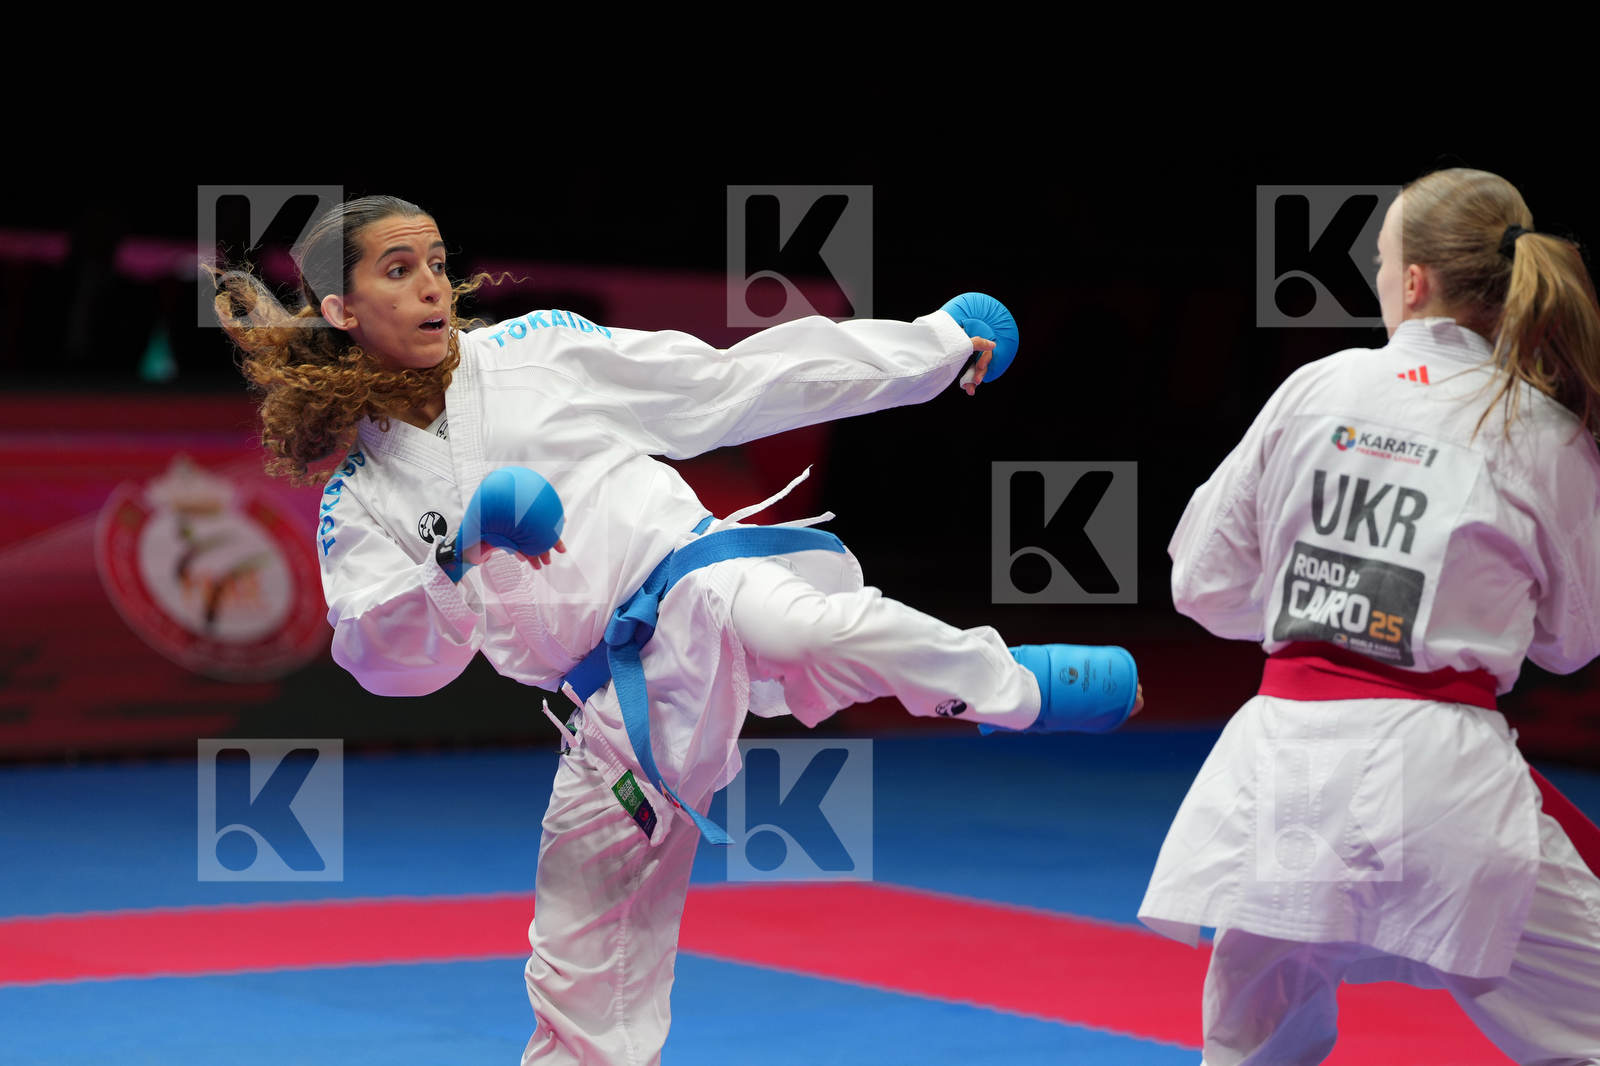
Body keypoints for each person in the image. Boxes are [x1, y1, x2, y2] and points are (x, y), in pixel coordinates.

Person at [214, 194, 1144, 1065]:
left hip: (694, 579)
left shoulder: (536, 353)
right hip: (611, 708)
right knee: (577, 974)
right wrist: (457, 558)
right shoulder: (361, 500)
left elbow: (730, 383)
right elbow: (386, 663)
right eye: (399, 268)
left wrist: (934, 346)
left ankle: (1011, 687)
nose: (429, 286)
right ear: (340, 307)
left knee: (814, 627)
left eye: (437, 264)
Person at [1138, 167, 1600, 1065]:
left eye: (1383, 260)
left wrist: (1319, 613)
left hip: (1292, 764)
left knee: (1255, 1047)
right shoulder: (1545, 429)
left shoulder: (1317, 387)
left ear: (1415, 281)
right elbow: (1573, 640)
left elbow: (1200, 581)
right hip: (1448, 780)